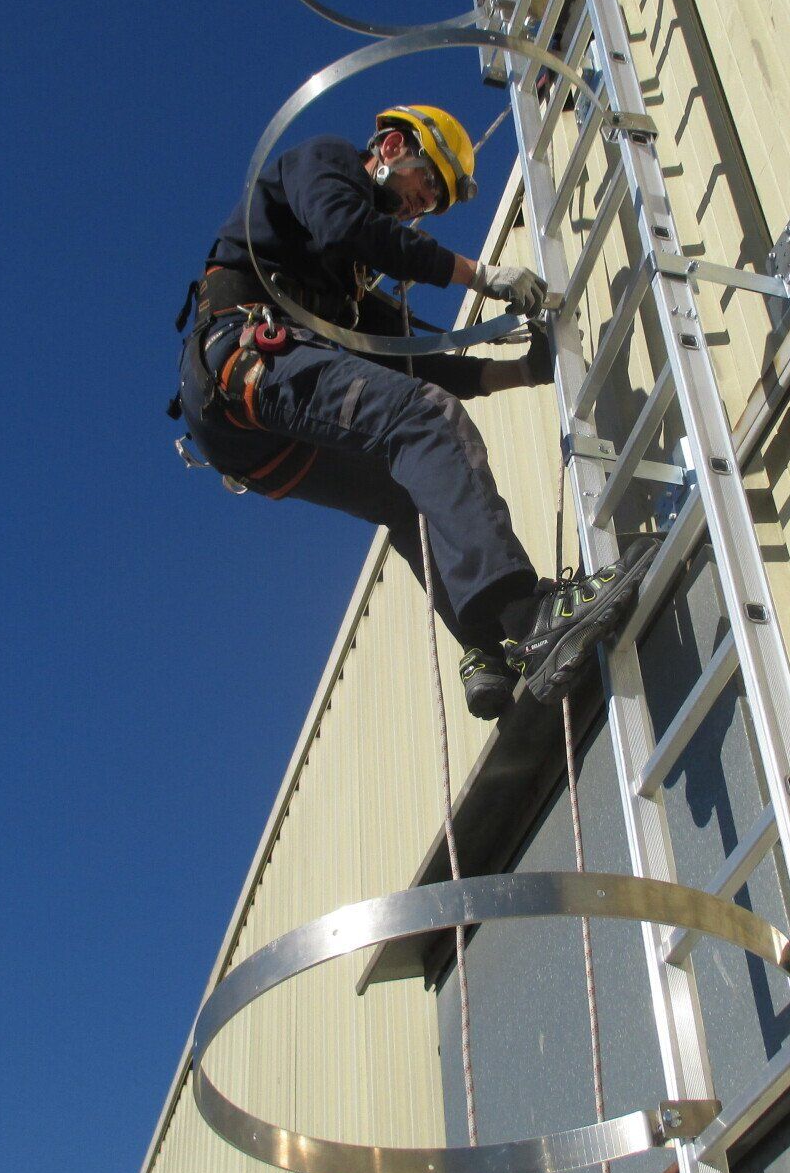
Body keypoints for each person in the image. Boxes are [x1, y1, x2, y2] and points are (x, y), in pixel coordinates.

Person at [170, 103, 655, 718]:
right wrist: (479, 276)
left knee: (408, 494)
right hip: (243, 356)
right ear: (393, 147)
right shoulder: (326, 164)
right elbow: (349, 225)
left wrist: (525, 371)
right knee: (424, 417)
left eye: (435, 202)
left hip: (260, 441)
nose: (422, 206)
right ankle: (531, 616)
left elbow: (412, 356)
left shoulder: (344, 287)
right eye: (427, 184)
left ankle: (488, 647)